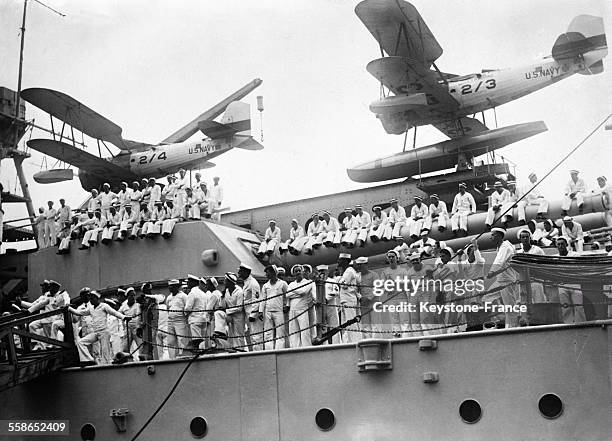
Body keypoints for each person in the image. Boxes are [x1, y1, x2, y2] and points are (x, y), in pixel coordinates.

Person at [71, 290, 127, 366]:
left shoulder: (104, 306)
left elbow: (114, 313)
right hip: (95, 332)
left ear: (97, 298)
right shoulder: (91, 308)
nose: (90, 300)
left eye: (92, 298)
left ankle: (106, 366)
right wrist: (69, 309)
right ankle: (88, 360)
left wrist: (124, 317)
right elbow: (79, 313)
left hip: (104, 332)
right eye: (90, 299)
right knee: (81, 342)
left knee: (105, 352)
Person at [484, 227, 521, 328]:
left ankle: (512, 328)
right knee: (487, 298)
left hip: (507, 281)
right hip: (500, 280)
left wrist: (491, 272)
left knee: (510, 307)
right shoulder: (501, 247)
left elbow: (499, 261)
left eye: (493, 235)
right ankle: (500, 319)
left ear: (499, 236)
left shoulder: (505, 247)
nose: (490, 237)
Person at [554, 236, 587, 323]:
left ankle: (582, 324)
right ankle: (568, 325)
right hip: (562, 285)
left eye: (562, 244)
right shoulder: (554, 258)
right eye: (558, 244)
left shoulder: (575, 255)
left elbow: (581, 268)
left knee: (579, 306)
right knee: (565, 307)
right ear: (556, 246)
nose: (560, 246)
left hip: (575, 283)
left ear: (566, 245)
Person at [379, 250, 410, 337]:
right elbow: (382, 285)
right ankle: (396, 337)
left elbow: (407, 284)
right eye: (389, 257)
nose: (391, 258)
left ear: (397, 258)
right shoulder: (385, 272)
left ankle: (406, 337)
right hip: (391, 298)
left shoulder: (403, 271)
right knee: (394, 319)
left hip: (402, 297)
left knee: (404, 318)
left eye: (393, 256)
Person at [259, 265, 288, 350]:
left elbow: (288, 296)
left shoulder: (283, 284)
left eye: (268, 272)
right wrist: (261, 311)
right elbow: (263, 299)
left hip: (279, 311)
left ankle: (279, 351)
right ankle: (269, 351)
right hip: (268, 311)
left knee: (280, 333)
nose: (266, 274)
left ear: (273, 272)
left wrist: (286, 305)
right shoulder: (265, 286)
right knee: (268, 333)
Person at [286, 265, 313, 347]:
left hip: (302, 309)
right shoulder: (291, 283)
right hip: (292, 309)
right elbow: (287, 295)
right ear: (293, 274)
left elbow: (303, 292)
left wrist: (292, 290)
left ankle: (307, 347)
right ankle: (295, 348)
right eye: (296, 271)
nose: (298, 272)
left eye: (299, 271)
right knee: (293, 331)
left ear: (302, 272)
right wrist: (296, 293)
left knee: (304, 330)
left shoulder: (308, 282)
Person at [337, 253, 361, 342]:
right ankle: (347, 341)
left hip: (349, 299)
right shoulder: (346, 271)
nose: (338, 261)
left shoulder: (349, 271)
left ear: (345, 261)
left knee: (351, 322)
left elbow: (343, 284)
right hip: (345, 300)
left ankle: (355, 341)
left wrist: (340, 281)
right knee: (346, 323)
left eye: (340, 259)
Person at [238, 263, 262, 351]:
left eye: (241, 271)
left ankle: (258, 352)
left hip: (252, 313)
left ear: (246, 272)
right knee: (251, 334)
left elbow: (256, 300)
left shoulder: (253, 283)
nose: (239, 273)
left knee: (256, 335)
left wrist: (253, 315)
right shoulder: (246, 282)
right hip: (247, 312)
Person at [316, 265, 341, 344]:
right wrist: (318, 300)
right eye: (320, 272)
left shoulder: (332, 281)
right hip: (321, 307)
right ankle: (324, 344)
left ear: (327, 272)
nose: (322, 273)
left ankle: (337, 344)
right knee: (322, 327)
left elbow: (336, 292)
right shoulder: (316, 283)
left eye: (323, 271)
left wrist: (326, 298)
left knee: (334, 325)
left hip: (331, 306)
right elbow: (313, 293)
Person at [165, 279, 189, 358]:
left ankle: (183, 356)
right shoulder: (169, 298)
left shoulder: (183, 296)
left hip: (180, 321)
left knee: (181, 340)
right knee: (170, 341)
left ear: (176, 287)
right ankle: (172, 358)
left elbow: (187, 308)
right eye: (169, 286)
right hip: (170, 321)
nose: (169, 288)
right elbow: (168, 308)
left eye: (171, 286)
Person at [184, 274, 208, 349]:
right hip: (203, 320)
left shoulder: (192, 293)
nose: (187, 284)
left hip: (194, 320)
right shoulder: (203, 293)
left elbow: (188, 308)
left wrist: (185, 314)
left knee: (197, 342)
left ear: (193, 283)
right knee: (203, 342)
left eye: (189, 282)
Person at [355, 257, 376, 339]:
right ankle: (368, 341)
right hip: (363, 303)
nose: (359, 266)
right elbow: (355, 289)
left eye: (361, 265)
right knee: (365, 324)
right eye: (358, 265)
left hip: (374, 301)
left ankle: (376, 341)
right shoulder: (357, 276)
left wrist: (369, 297)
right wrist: (360, 298)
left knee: (375, 323)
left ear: (366, 265)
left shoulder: (374, 275)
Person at [118, 288, 142, 358]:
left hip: (136, 328)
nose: (133, 297)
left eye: (134, 295)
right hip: (127, 328)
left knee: (141, 346)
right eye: (131, 295)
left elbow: (139, 316)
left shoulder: (138, 305)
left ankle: (142, 360)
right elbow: (119, 314)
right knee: (125, 347)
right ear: (127, 296)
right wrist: (123, 322)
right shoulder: (124, 306)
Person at [225, 272, 247, 348]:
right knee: (231, 334)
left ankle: (242, 350)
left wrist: (227, 311)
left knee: (240, 335)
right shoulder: (227, 291)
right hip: (231, 317)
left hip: (239, 317)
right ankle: (234, 350)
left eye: (226, 281)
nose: (224, 282)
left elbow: (239, 308)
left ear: (230, 282)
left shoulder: (239, 292)